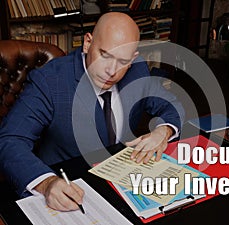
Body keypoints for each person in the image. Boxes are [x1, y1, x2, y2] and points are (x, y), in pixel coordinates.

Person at [0, 12, 184, 212]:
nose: (111, 71)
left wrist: (163, 131)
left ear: (133, 59)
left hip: (123, 183)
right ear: (87, 43)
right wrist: (46, 183)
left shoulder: (137, 70)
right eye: (105, 55)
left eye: (122, 61)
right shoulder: (50, 80)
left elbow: (170, 104)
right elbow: (10, 140)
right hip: (68, 185)